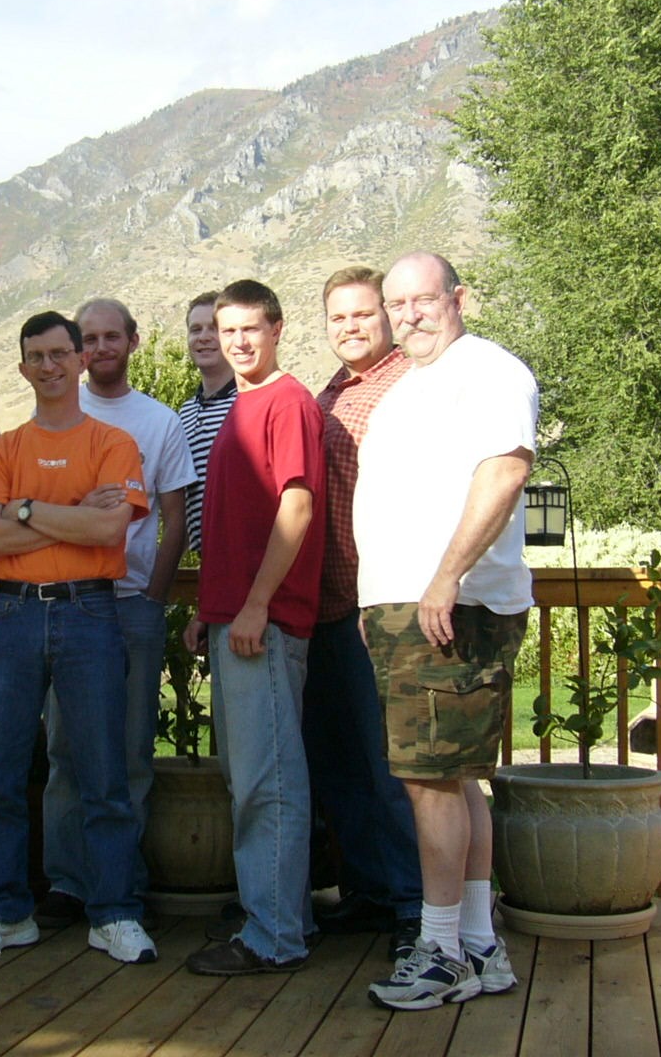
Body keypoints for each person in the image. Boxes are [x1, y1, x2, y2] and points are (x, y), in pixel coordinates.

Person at [354, 251, 537, 1011]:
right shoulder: (408, 385)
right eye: (397, 305)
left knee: (429, 781)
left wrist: (444, 578)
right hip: (407, 607)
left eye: (423, 300)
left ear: (458, 298)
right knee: (454, 777)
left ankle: (438, 951)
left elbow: (504, 473)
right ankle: (480, 945)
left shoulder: (489, 371)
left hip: (447, 607)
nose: (409, 316)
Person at [0, 310, 157, 966]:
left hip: (89, 613)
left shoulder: (113, 443)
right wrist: (66, 516)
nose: (49, 366)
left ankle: (114, 913)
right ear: (22, 367)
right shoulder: (1, 449)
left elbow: (109, 532)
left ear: (78, 360)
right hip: (9, 616)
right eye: (35, 356)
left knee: (103, 773)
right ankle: (5, 911)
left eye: (59, 353)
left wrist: (27, 511)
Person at [37, 298, 195, 928]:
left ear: (132, 342)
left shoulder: (159, 423)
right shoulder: (52, 419)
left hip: (131, 605)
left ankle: (118, 888)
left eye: (111, 337)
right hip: (67, 604)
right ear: (76, 352)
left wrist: (154, 598)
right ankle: (68, 885)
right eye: (89, 339)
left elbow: (177, 521)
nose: (100, 348)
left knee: (129, 754)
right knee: (65, 751)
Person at [183, 279, 326, 976]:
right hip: (233, 618)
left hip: (262, 625)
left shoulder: (287, 402)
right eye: (224, 329)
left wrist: (255, 604)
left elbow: (296, 508)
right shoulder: (240, 404)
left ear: (276, 328)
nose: (237, 341)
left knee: (268, 782)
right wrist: (209, 610)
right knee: (251, 778)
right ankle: (278, 916)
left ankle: (274, 938)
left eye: (250, 328)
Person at [307, 266, 421, 955]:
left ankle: (416, 904)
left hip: (374, 604)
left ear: (385, 316)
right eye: (337, 317)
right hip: (320, 606)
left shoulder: (409, 386)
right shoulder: (330, 392)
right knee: (341, 765)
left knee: (389, 769)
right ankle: (372, 892)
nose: (349, 327)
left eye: (361, 314)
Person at [176, 291, 236, 556]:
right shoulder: (183, 415)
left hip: (247, 558)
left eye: (214, 328)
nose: (203, 337)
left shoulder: (249, 403)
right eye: (195, 329)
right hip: (207, 562)